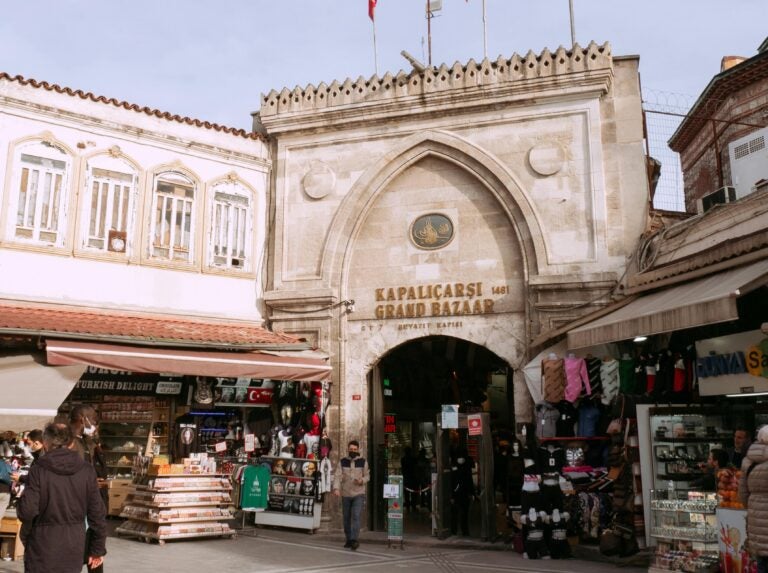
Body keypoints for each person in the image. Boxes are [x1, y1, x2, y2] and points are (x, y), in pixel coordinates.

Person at [17, 422, 107, 573]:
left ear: (45, 443)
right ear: (71, 443)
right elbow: (97, 514)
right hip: (73, 544)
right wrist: (97, 549)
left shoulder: (38, 470)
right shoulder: (86, 471)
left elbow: (27, 511)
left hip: (42, 543)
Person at [739, 426, 768, 573]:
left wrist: (754, 507)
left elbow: (742, 494)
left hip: (757, 520)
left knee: (762, 561)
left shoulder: (748, 461)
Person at [332, 439, 370, 551]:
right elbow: (338, 476)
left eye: (355, 449)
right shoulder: (342, 461)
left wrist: (361, 480)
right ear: (348, 449)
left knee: (356, 516)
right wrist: (336, 488)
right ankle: (348, 540)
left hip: (358, 493)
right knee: (346, 518)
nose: (353, 451)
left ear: (358, 450)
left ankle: (354, 540)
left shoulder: (363, 462)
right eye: (351, 449)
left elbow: (367, 476)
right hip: (346, 494)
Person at [450, 447, 476, 536]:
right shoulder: (456, 466)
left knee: (463, 513)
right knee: (457, 513)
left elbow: (469, 480)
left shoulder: (464, 466)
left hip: (463, 493)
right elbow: (452, 482)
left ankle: (462, 530)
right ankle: (456, 530)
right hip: (458, 493)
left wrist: (472, 493)